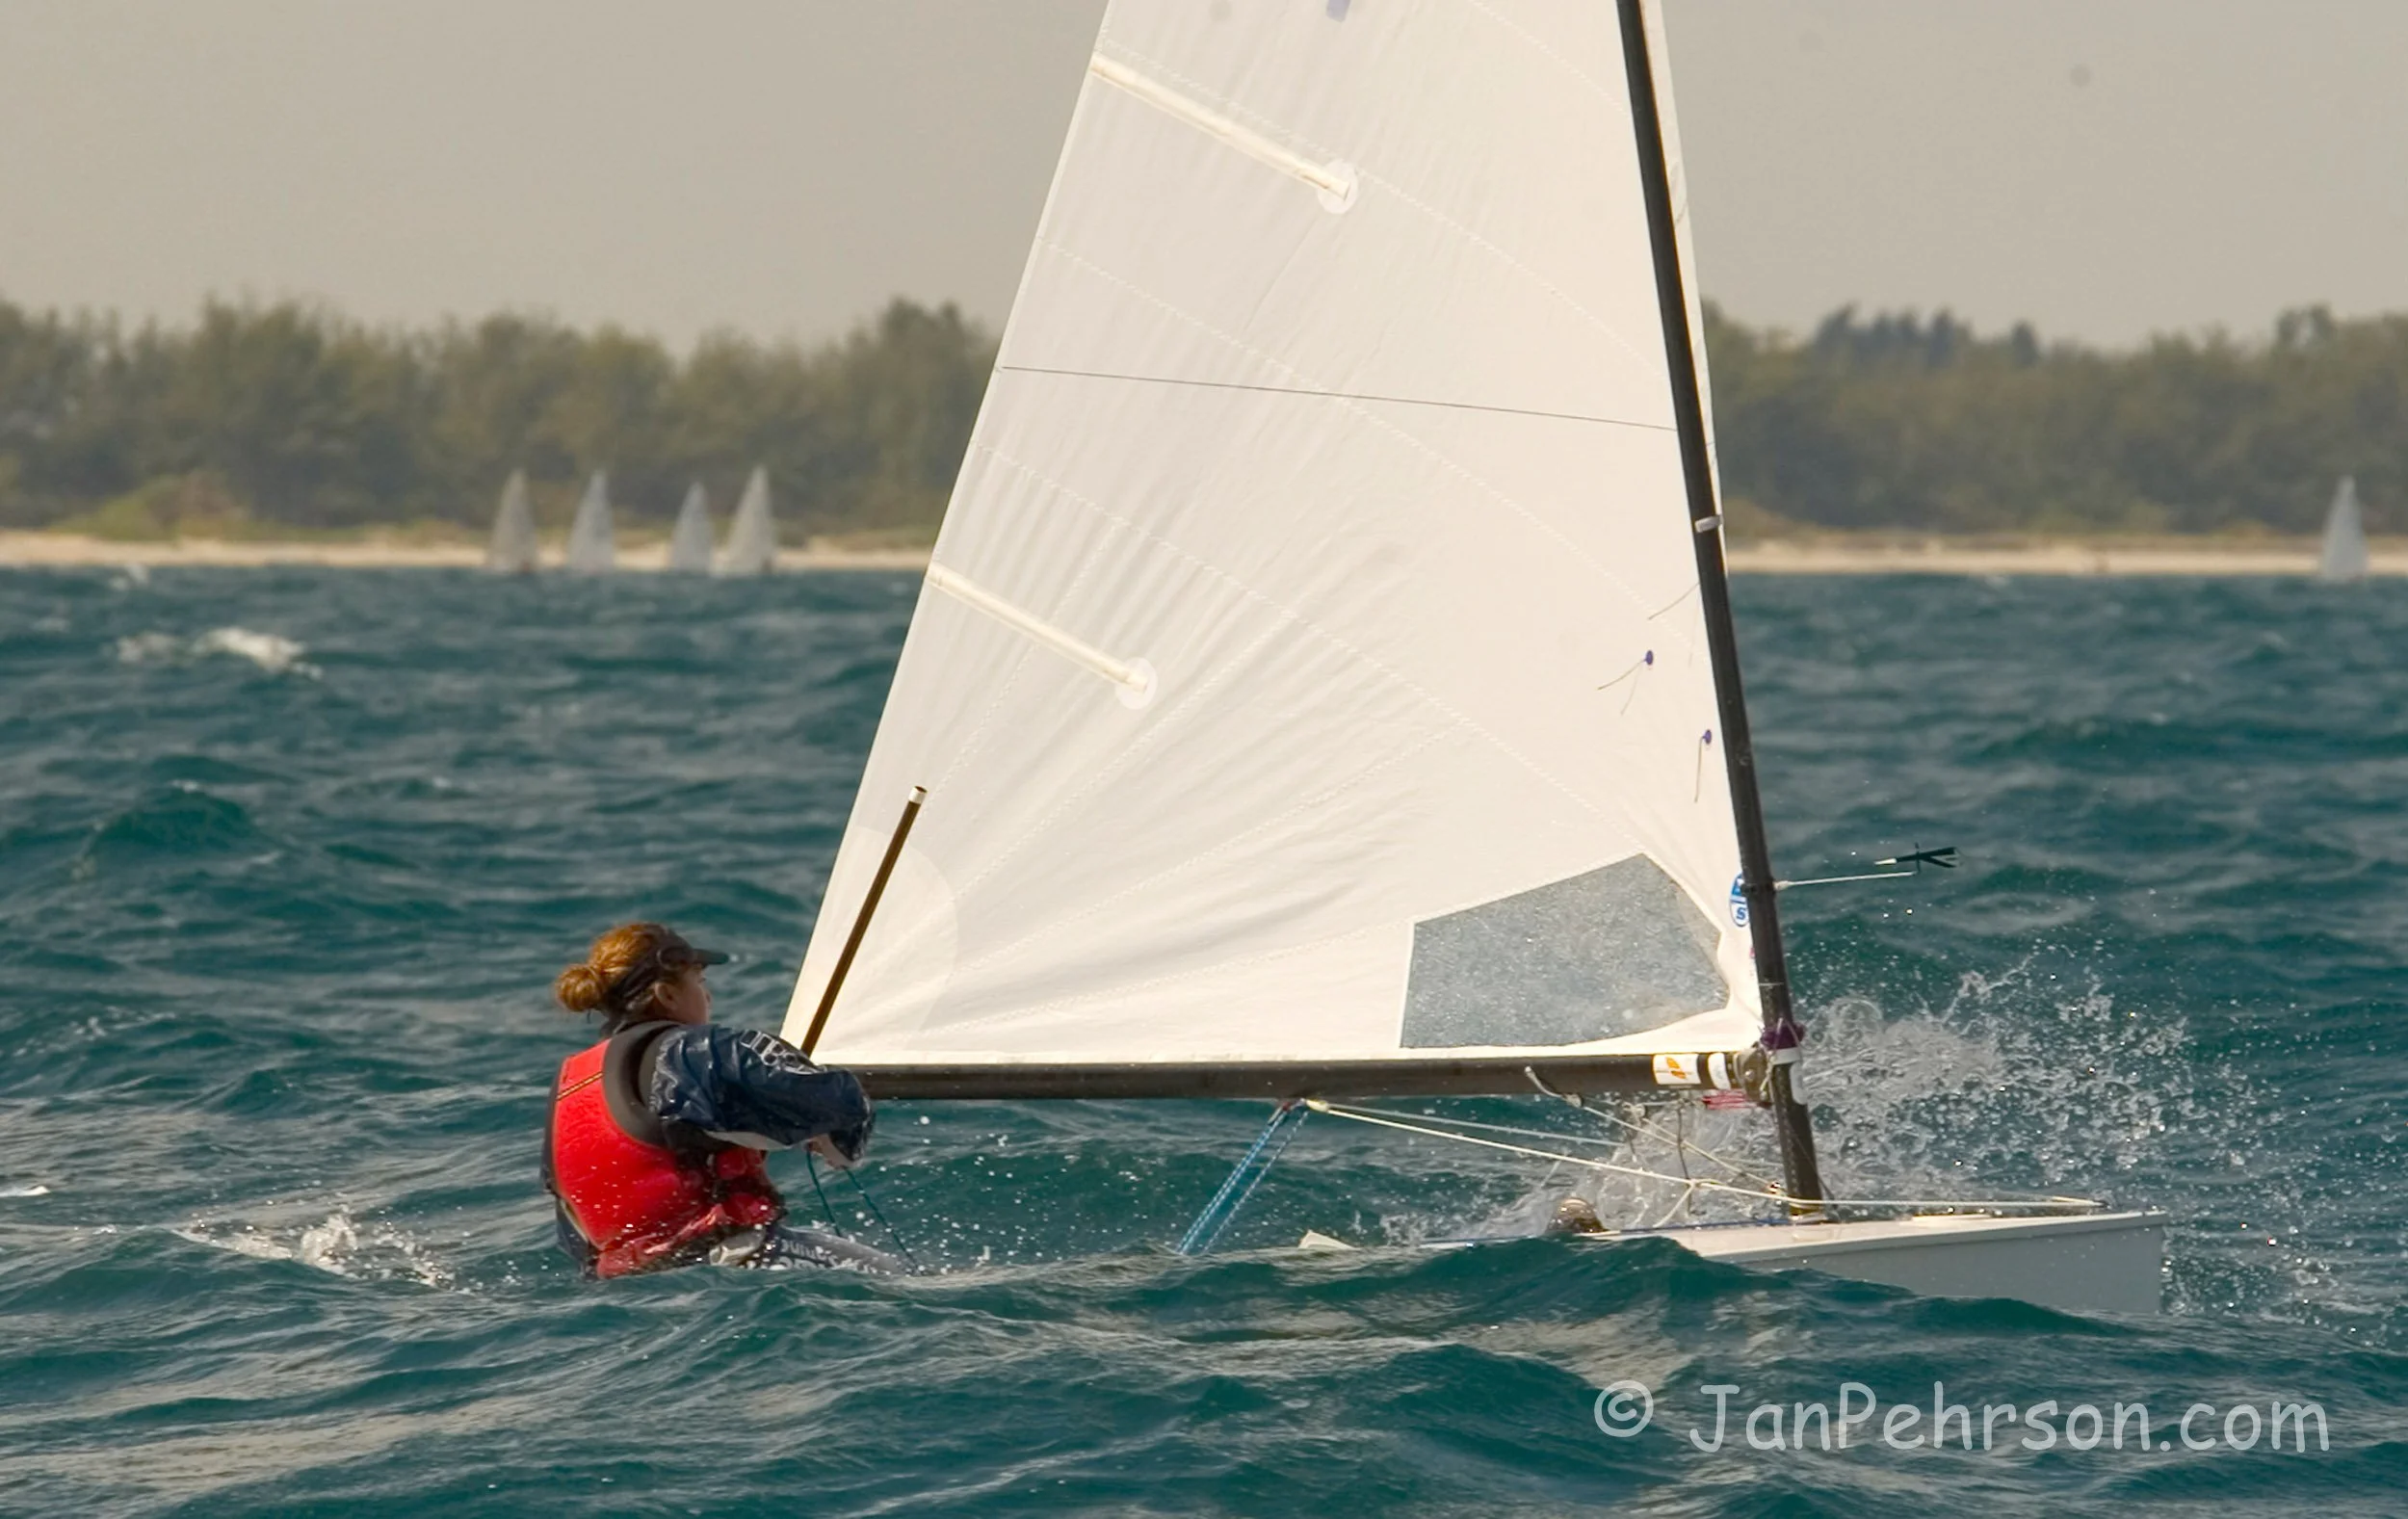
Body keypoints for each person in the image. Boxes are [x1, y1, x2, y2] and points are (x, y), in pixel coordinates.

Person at [541, 921, 905, 1277]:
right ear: (666, 995)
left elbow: (574, 1230)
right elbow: (839, 1102)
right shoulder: (695, 1050)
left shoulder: (570, 1086)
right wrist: (831, 1139)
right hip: (731, 1262)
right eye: (699, 983)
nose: (708, 996)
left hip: (629, 1290)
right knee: (899, 1278)